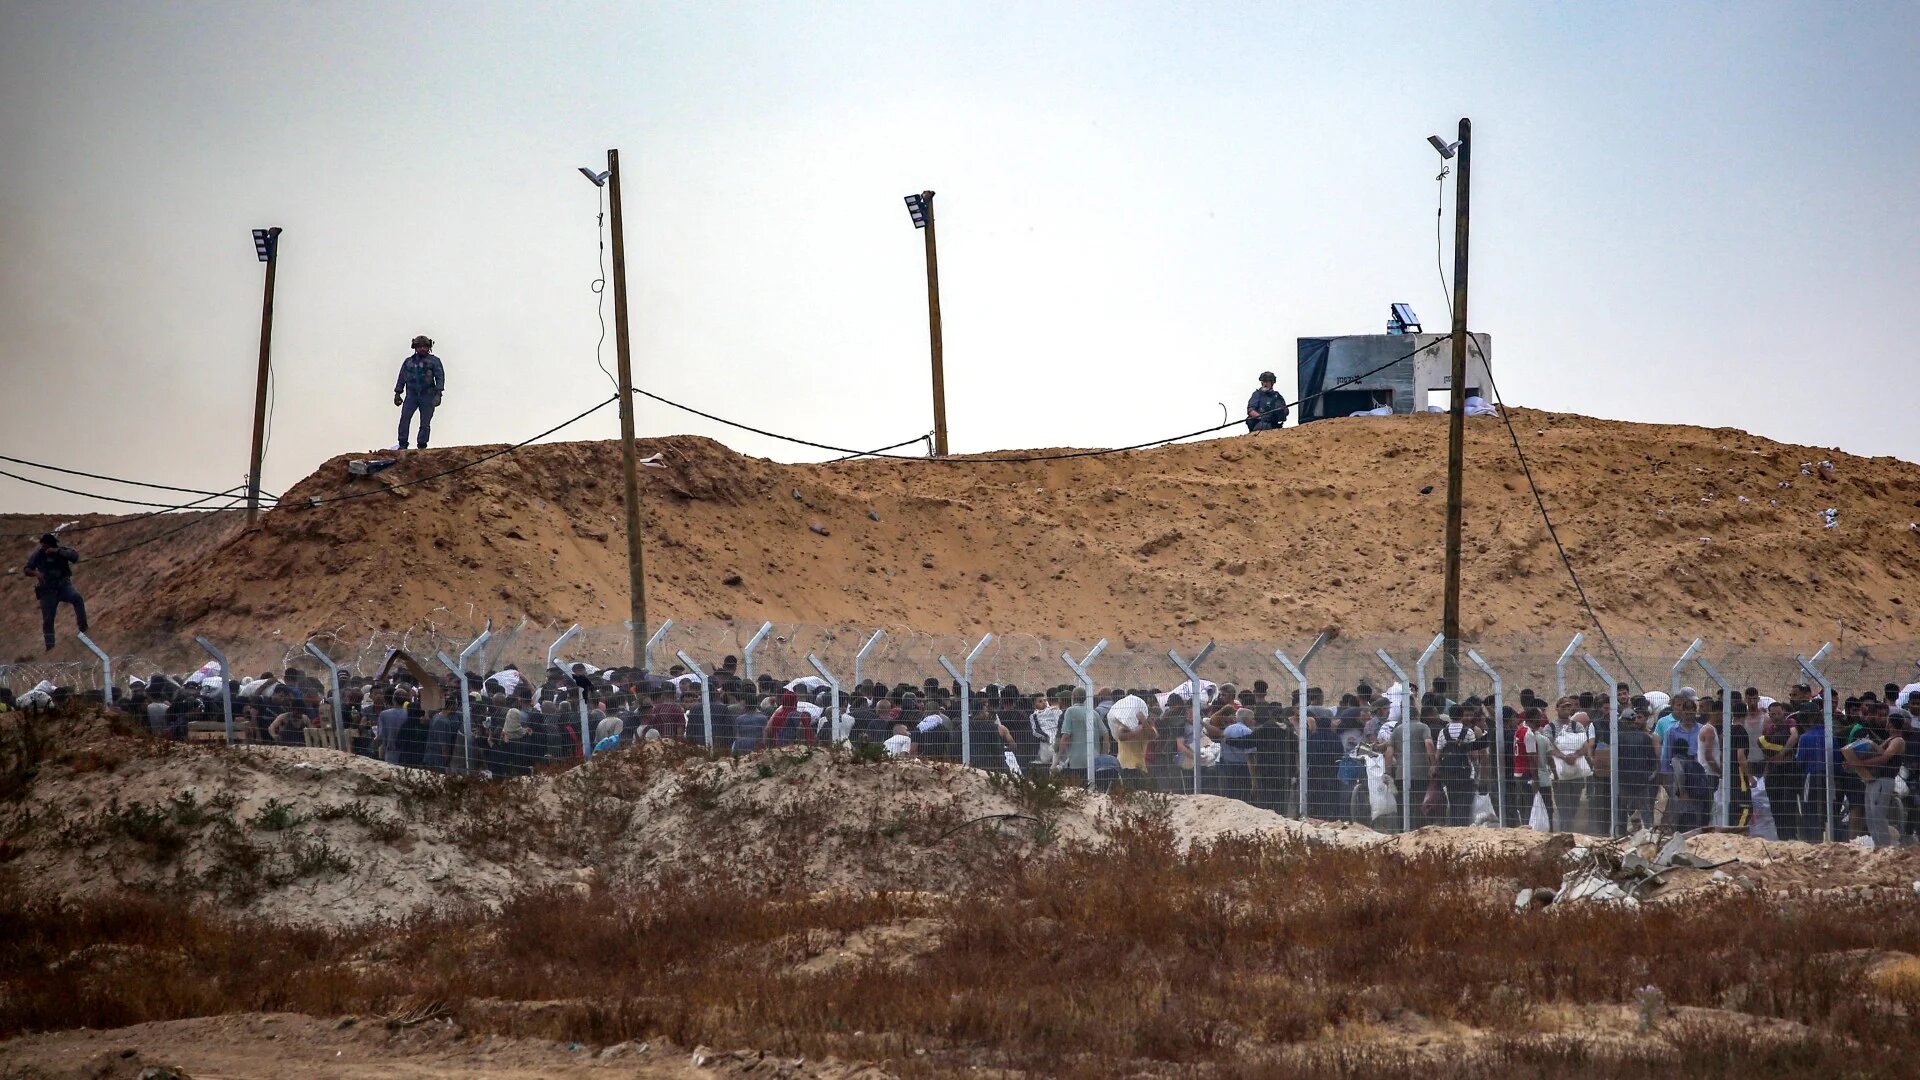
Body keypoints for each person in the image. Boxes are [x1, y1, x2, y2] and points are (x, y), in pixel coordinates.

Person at [24, 533, 88, 652]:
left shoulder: (61, 550)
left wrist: (57, 551)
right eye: (43, 546)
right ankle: (50, 647)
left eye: (46, 546)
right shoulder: (38, 554)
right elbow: (27, 569)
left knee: (77, 598)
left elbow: (75, 556)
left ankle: (83, 628)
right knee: (48, 619)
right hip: (47, 590)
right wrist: (36, 573)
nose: (44, 548)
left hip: (63, 586)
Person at [392, 334, 446, 450]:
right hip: (411, 395)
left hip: (428, 395)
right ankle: (402, 444)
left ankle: (422, 445)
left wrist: (438, 394)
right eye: (419, 346)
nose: (422, 349)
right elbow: (402, 377)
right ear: (415, 347)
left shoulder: (434, 361)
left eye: (425, 346)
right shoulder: (408, 362)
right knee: (405, 418)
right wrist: (398, 393)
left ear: (429, 347)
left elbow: (440, 377)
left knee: (425, 423)